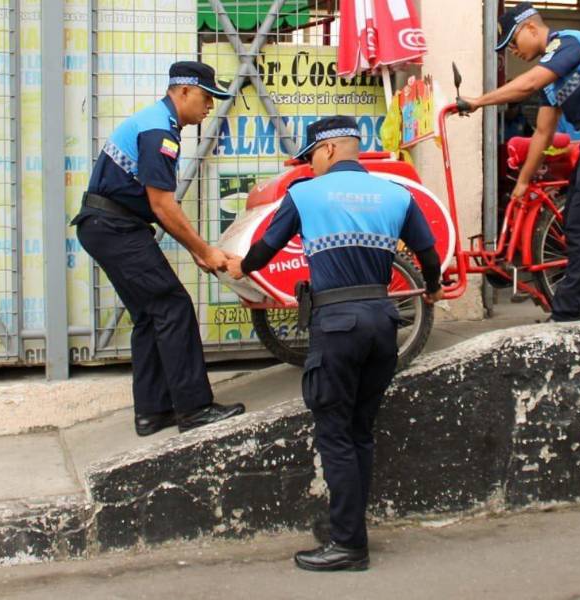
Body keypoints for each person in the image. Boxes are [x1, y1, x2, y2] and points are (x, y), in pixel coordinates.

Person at [227, 116, 443, 572]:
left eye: (311, 158)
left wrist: (239, 267)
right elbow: (427, 254)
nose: (311, 166)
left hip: (337, 326)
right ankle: (346, 527)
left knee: (335, 435)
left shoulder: (305, 194)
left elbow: (265, 249)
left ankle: (348, 545)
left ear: (326, 150)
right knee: (360, 432)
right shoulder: (395, 194)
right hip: (384, 324)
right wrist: (432, 288)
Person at [72, 61, 244, 437]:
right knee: (173, 306)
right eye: (206, 96)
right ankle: (195, 409)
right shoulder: (158, 132)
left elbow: (157, 206)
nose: (210, 105)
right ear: (183, 91)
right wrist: (205, 250)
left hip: (106, 227)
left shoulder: (158, 124)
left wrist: (197, 250)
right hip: (115, 228)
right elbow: (162, 205)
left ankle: (153, 412)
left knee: (151, 316)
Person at [459, 1, 580, 322]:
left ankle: (565, 312)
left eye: (513, 42)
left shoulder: (570, 43)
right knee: (578, 223)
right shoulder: (553, 81)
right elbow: (543, 133)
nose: (513, 51)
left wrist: (478, 101)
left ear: (531, 28)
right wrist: (522, 182)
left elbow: (528, 84)